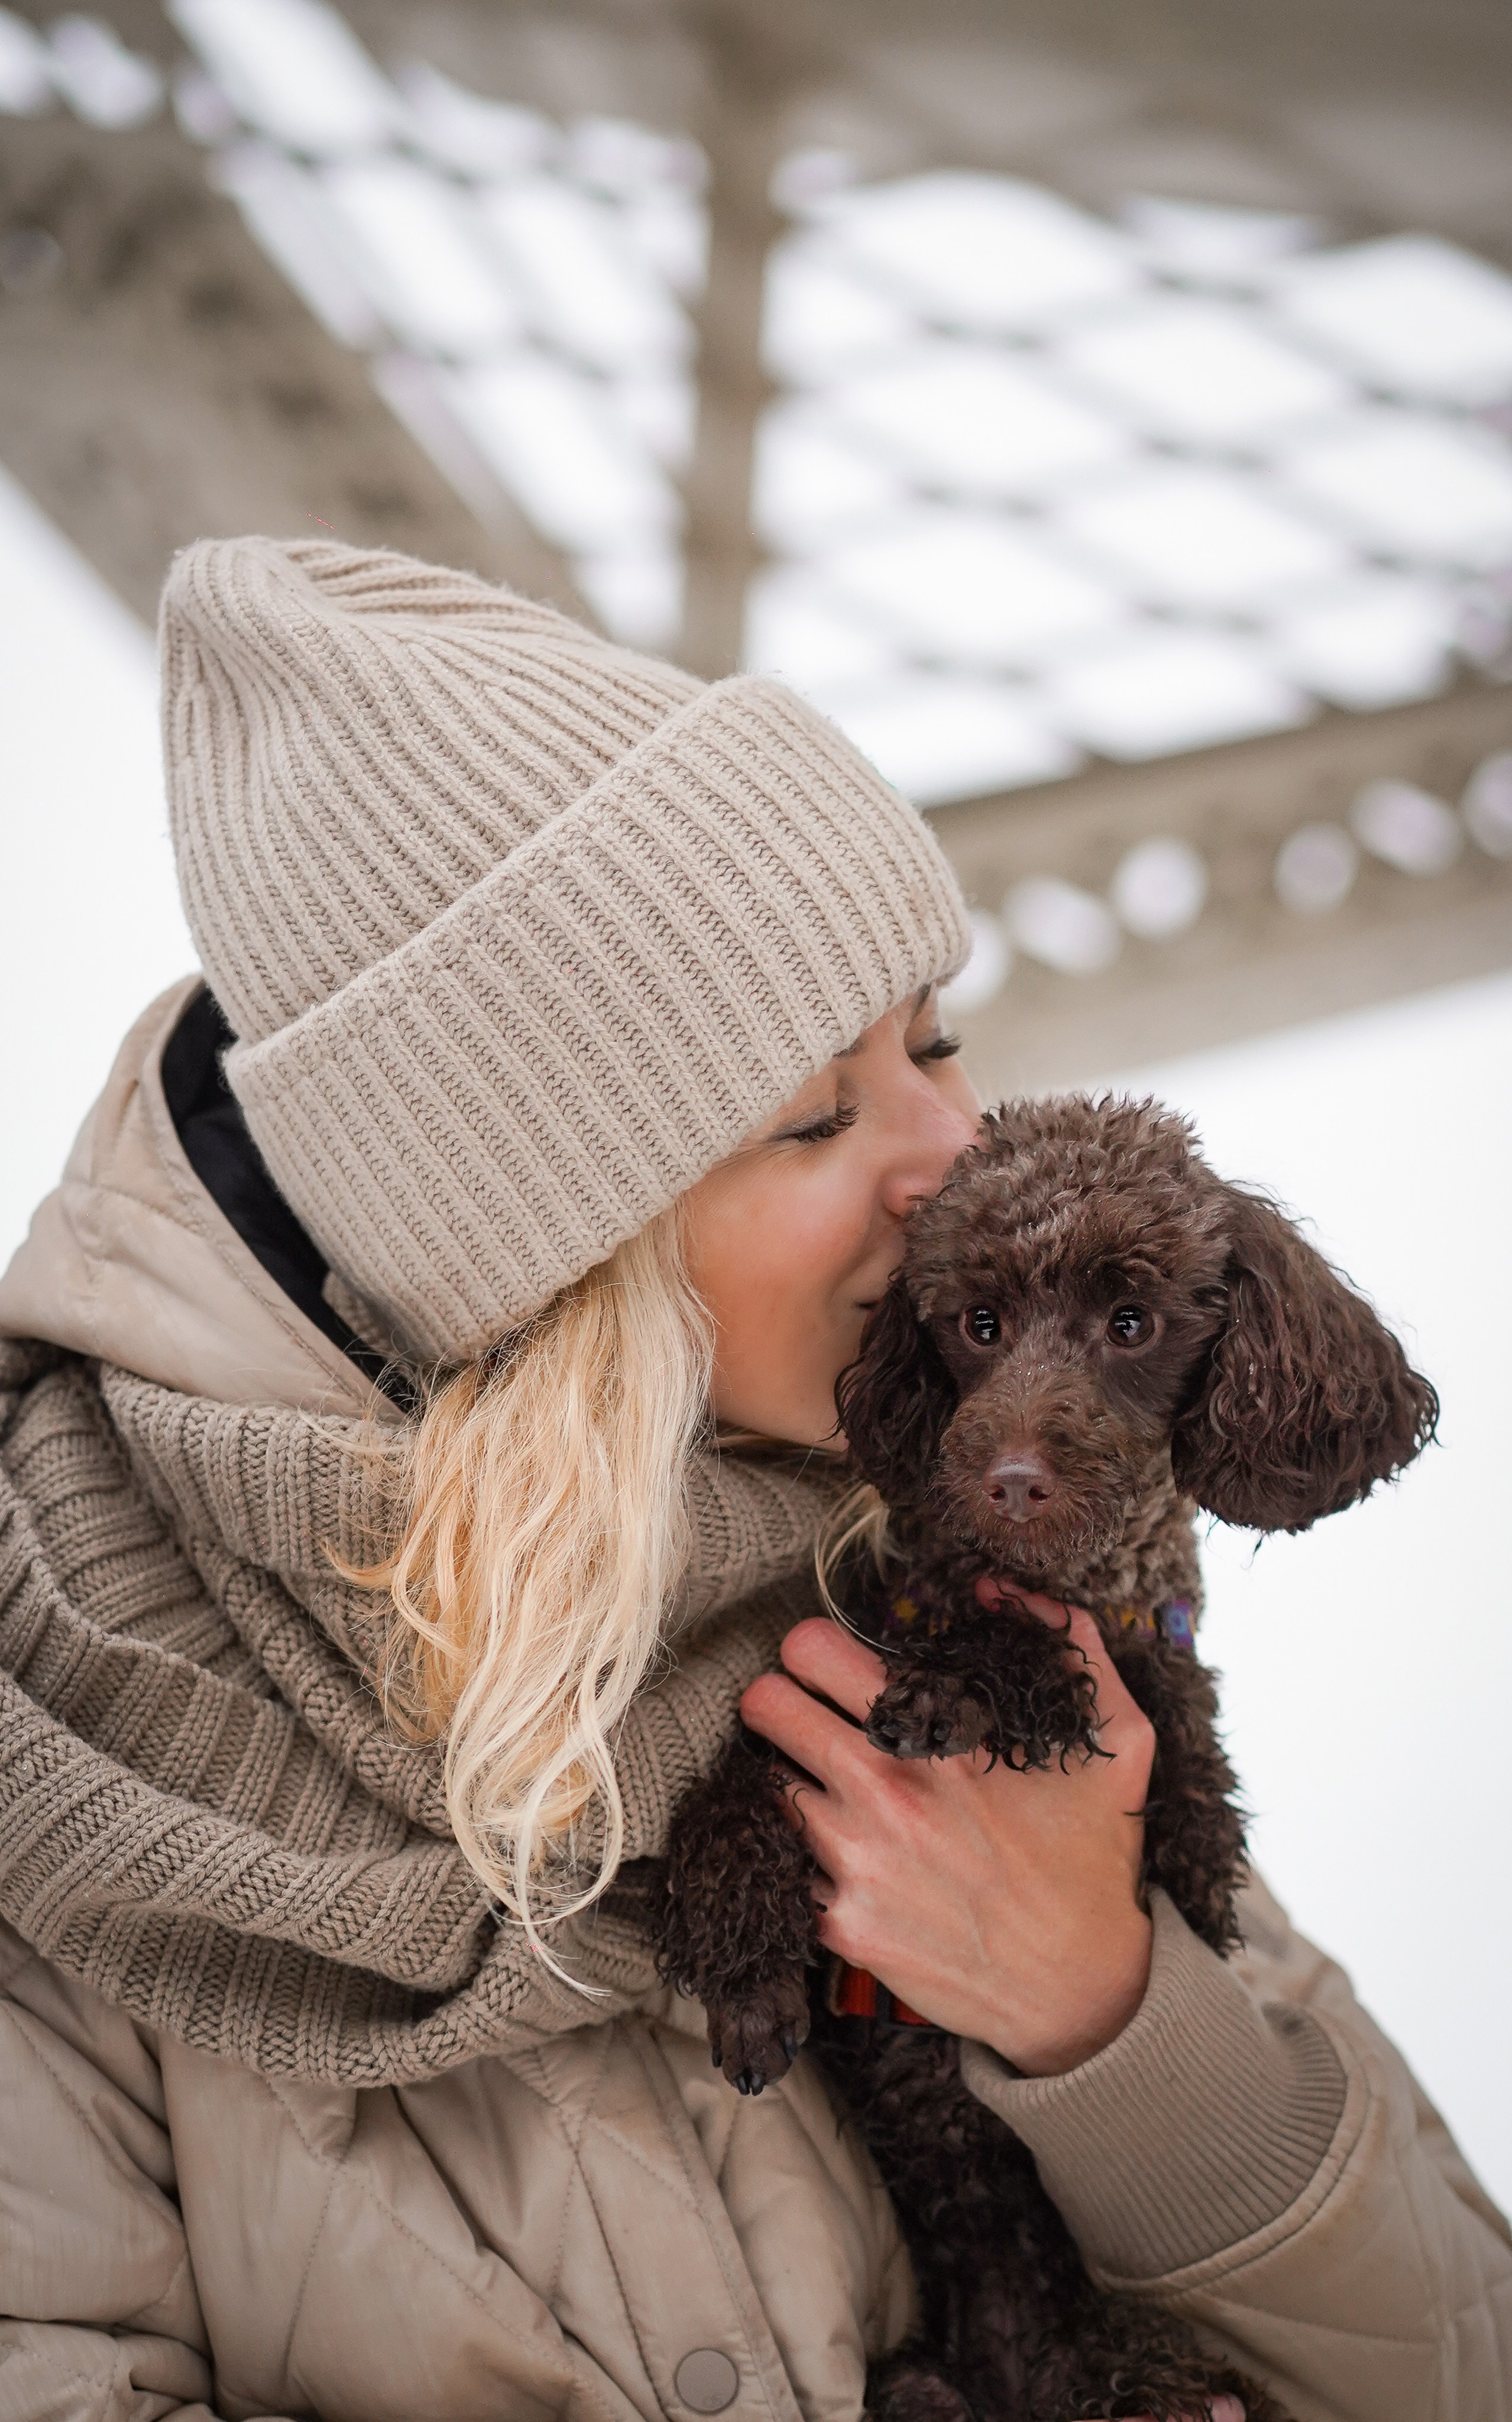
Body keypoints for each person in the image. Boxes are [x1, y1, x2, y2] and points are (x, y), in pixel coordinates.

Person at [0, 537, 1504, 2422]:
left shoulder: (954, 1608)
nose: (954, 1150)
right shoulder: (58, 1751)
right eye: (816, 1113)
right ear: (545, 1259)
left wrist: (1117, 2023)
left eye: (935, 1042)